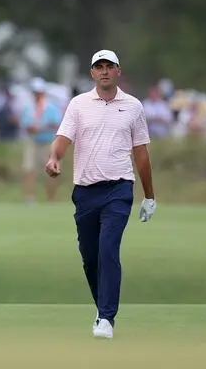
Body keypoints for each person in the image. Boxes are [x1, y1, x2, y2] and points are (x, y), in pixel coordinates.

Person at [45, 49, 156, 339]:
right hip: (85, 191)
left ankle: (107, 317)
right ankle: (101, 309)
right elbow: (63, 139)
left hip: (119, 189)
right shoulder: (79, 104)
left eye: (110, 66)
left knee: (108, 250)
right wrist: (55, 158)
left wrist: (150, 195)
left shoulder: (133, 107)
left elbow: (141, 153)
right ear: (92, 72)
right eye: (99, 67)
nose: (104, 71)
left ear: (118, 71)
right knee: (90, 258)